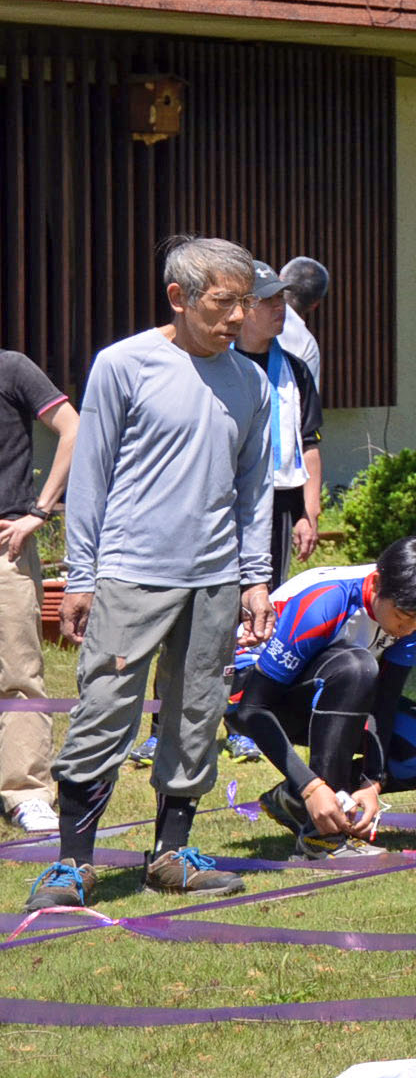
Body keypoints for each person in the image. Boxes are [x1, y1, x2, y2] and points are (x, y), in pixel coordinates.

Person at [26, 236, 276, 913]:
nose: (238, 317)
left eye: (245, 303)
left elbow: (253, 491)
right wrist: (81, 575)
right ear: (179, 297)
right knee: (105, 712)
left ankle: (171, 856)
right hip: (131, 575)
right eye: (223, 302)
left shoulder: (252, 382)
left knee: (197, 714)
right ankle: (72, 864)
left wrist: (255, 576)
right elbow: (91, 475)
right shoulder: (124, 364)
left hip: (215, 580)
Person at [226, 539, 416, 859]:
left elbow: (385, 698)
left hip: (337, 690)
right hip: (251, 694)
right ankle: (322, 839)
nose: (407, 630)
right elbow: (251, 709)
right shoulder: (326, 601)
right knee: (356, 668)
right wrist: (311, 786)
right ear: (377, 584)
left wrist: (372, 781)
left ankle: (293, 801)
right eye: (402, 616)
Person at [0, 351, 76, 833]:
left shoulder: (11, 368)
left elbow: (74, 428)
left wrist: (41, 510)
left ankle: (26, 791)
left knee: (18, 673)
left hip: (5, 546)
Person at [237, 261, 324, 587]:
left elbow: (309, 442)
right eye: (268, 300)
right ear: (244, 308)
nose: (279, 307)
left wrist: (308, 512)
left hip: (280, 499)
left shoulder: (296, 370)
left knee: (269, 591)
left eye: (280, 298)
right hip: (228, 499)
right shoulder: (220, 366)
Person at [277, 255, 328, 394]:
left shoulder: (246, 311)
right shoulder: (306, 343)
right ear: (315, 304)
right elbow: (307, 399)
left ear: (280, 279)